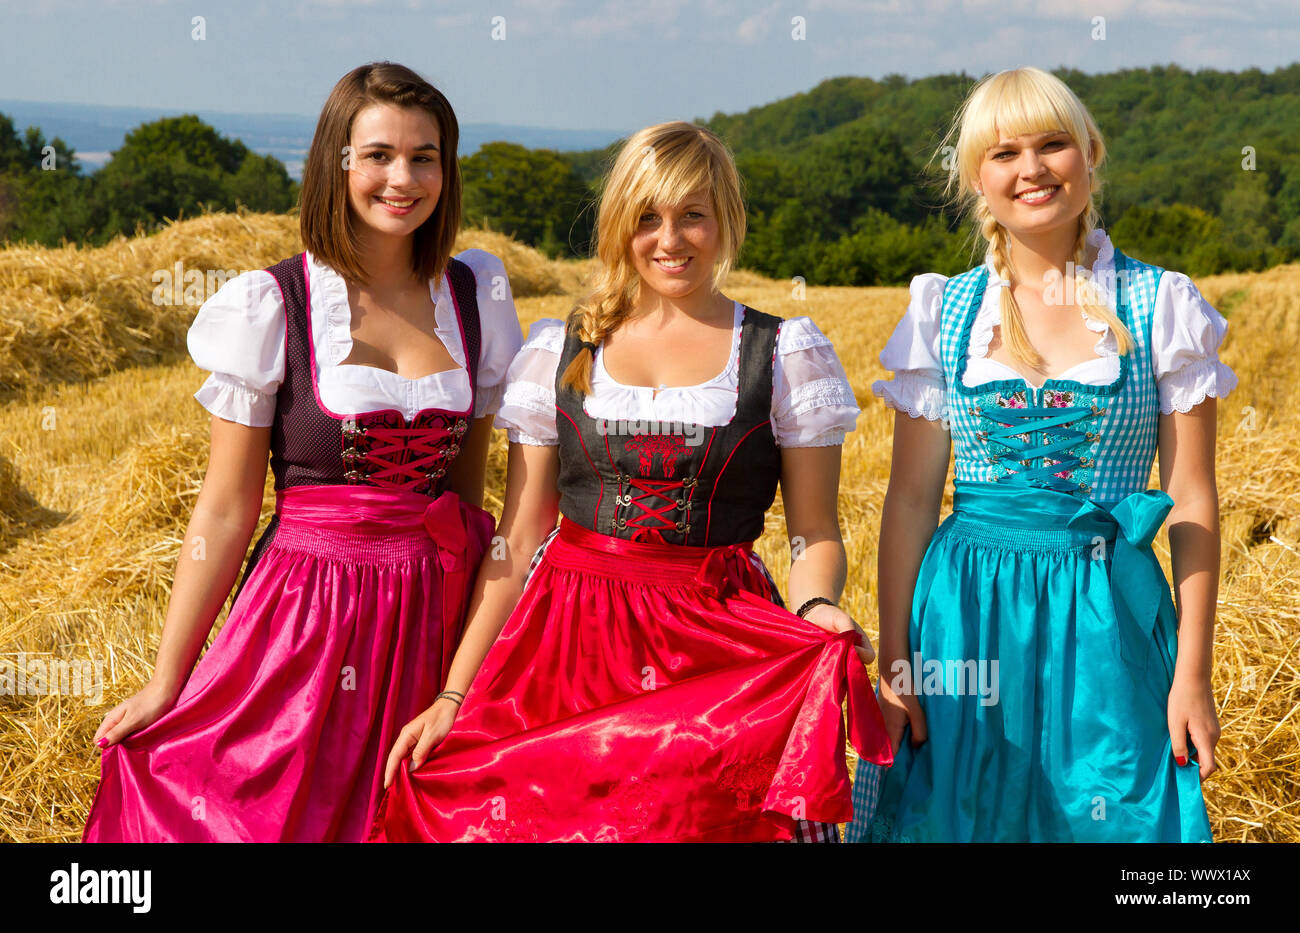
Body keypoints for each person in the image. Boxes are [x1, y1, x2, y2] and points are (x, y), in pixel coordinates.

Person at [367, 121, 891, 843]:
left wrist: (819, 605)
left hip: (716, 644)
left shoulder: (783, 351)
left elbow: (816, 532)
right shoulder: (561, 347)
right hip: (568, 643)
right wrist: (457, 691)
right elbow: (517, 541)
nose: (669, 239)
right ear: (619, 224)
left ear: (726, 219)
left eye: (691, 215)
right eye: (646, 217)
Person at [82, 62, 521, 842]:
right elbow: (224, 509)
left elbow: (468, 491)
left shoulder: (475, 295)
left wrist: (465, 672)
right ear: (337, 162)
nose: (403, 177)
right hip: (309, 613)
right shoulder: (273, 303)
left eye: (426, 157)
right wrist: (166, 679)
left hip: (434, 611)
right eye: (379, 154)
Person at [848, 66, 1234, 843]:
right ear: (977, 181)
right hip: (963, 616)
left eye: (1053, 144)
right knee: (957, 816)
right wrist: (895, 665)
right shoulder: (944, 310)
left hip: (1106, 616)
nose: (1031, 169)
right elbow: (912, 501)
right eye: (1004, 153)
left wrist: (1194, 668)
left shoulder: (1160, 304)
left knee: (1115, 811)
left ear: (1090, 153)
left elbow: (1191, 499)